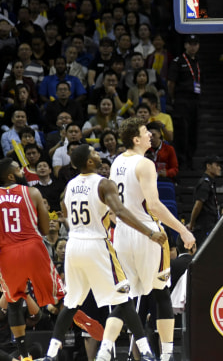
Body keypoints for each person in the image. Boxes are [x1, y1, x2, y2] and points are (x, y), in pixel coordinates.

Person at [41, 144, 166, 361]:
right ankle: (146, 352)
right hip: (96, 244)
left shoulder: (70, 185)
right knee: (123, 299)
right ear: (89, 162)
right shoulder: (104, 183)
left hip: (73, 245)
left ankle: (51, 354)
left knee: (71, 303)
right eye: (94, 153)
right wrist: (149, 233)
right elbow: (119, 211)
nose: (98, 155)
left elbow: (65, 210)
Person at [110, 117, 195, 361]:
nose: (151, 135)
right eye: (146, 132)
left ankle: (115, 352)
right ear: (136, 139)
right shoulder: (145, 163)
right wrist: (183, 230)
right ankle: (166, 356)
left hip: (123, 234)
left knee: (128, 295)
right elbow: (155, 206)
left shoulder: (117, 162)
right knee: (160, 293)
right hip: (147, 233)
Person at [0, 158, 65, 359]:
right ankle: (69, 324)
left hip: (7, 253)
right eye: (19, 169)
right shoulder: (33, 192)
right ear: (10, 175)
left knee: (13, 301)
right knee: (59, 295)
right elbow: (45, 229)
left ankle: (23, 354)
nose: (24, 171)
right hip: (32, 248)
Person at [168, 34, 201, 169]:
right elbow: (171, 83)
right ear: (185, 45)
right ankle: (181, 160)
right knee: (183, 131)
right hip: (181, 100)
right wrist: (174, 98)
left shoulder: (197, 62)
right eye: (190, 44)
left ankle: (190, 159)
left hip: (195, 100)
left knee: (194, 131)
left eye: (195, 44)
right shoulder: (178, 61)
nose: (192, 47)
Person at [187, 155, 223, 246]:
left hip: (210, 224)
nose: (220, 168)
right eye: (217, 165)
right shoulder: (205, 183)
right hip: (204, 227)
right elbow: (198, 205)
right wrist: (192, 223)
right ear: (208, 166)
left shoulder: (210, 182)